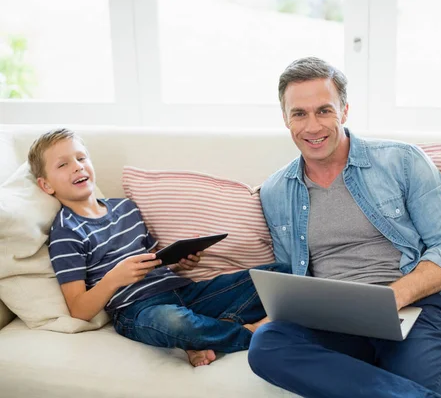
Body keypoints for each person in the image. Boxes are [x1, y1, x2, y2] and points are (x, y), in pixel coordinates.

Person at [247, 57, 441, 398]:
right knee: (266, 345)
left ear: (344, 111)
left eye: (324, 111)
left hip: (416, 308)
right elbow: (291, 276)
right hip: (333, 319)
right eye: (299, 114)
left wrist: (395, 295)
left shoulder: (402, 161)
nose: (312, 126)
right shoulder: (275, 191)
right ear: (286, 119)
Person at [28, 128, 289, 367]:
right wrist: (114, 279)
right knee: (174, 322)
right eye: (63, 164)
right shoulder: (66, 232)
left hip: (183, 291)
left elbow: (154, 260)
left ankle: (204, 336)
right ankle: (249, 333)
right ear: (46, 185)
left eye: (81, 158)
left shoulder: (125, 207)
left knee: (281, 274)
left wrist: (180, 262)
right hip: (138, 309)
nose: (77, 167)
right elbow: (78, 310)